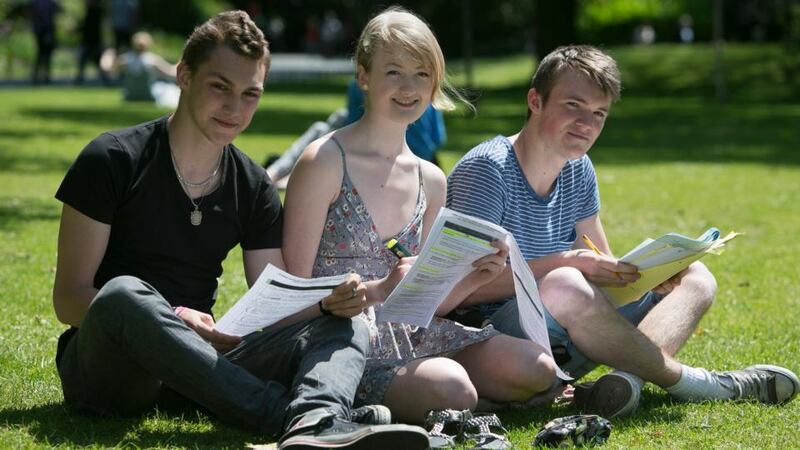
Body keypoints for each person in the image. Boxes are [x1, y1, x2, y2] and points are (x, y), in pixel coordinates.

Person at [52, 10, 428, 450]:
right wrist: (172, 318)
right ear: (184, 76)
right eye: (220, 87)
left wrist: (338, 301)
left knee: (345, 324)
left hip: (199, 366)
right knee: (123, 293)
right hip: (111, 368)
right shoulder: (111, 159)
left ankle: (316, 420)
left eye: (251, 94)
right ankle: (283, 414)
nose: (235, 108)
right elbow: (70, 300)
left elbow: (274, 301)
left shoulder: (252, 186)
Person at [445, 45, 800, 419]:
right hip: (499, 336)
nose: (586, 124)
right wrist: (566, 263)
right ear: (535, 100)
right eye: (573, 106)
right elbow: (462, 289)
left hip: (567, 332)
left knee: (695, 277)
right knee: (565, 281)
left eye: (599, 113)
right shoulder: (487, 169)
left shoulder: (578, 168)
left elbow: (602, 263)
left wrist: (650, 273)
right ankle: (701, 384)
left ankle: (625, 383)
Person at [282, 7, 557, 427]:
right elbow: (295, 296)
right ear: (363, 76)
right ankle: (462, 404)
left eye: (422, 74)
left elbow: (428, 304)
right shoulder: (324, 160)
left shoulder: (431, 178)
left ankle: (471, 402)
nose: (409, 88)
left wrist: (478, 275)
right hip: (339, 339)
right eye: (393, 72)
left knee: (538, 368)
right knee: (454, 389)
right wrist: (377, 289)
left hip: (414, 334)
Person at [265, 78, 446, 186]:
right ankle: (280, 174)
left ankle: (274, 174)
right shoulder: (427, 92)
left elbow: (352, 127)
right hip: (426, 157)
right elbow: (438, 138)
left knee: (324, 126)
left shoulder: (360, 86)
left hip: (376, 151)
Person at [101, 31, 180, 108]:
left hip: (129, 97)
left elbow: (107, 69)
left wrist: (107, 56)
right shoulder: (152, 60)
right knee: (170, 88)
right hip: (149, 96)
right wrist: (182, 62)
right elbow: (172, 74)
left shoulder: (125, 60)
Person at [75, 0, 110, 86]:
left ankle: (106, 80)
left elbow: (87, 27)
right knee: (86, 62)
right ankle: (106, 81)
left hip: (92, 41)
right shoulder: (92, 12)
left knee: (91, 61)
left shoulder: (95, 12)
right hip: (90, 41)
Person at [29, 0, 60, 85]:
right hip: (43, 32)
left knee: (44, 56)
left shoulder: (38, 3)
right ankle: (39, 77)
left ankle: (43, 77)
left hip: (45, 31)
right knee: (42, 55)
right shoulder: (40, 3)